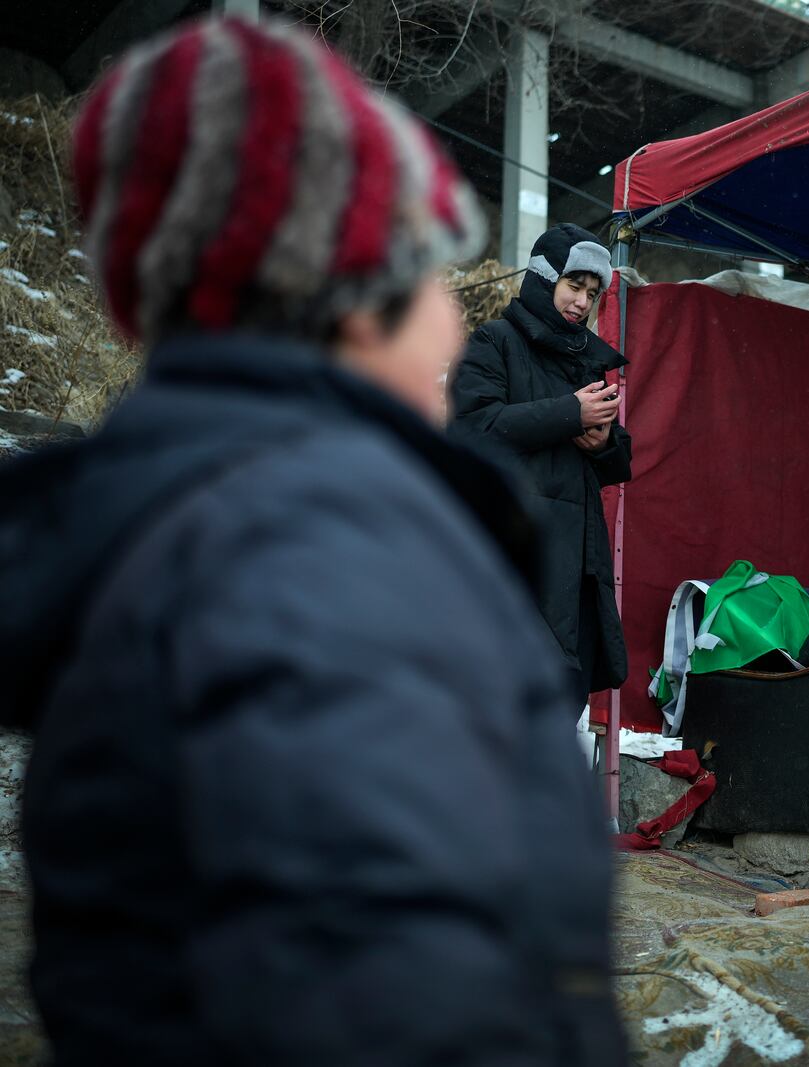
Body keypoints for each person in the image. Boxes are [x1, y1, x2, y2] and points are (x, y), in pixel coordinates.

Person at [0, 18, 624, 1065]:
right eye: (430, 262)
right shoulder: (327, 576)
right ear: (359, 291)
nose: (445, 320)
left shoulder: (188, 539)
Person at [449, 224, 631, 708]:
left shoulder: (586, 361)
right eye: (573, 286)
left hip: (576, 563)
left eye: (592, 293)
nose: (581, 302)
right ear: (543, 278)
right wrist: (569, 413)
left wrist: (601, 441)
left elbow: (622, 459)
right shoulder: (494, 341)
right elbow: (471, 428)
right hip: (514, 556)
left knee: (557, 701)